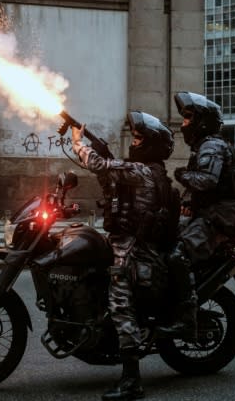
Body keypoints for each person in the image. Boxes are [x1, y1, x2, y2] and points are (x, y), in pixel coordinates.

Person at [71, 111, 178, 401]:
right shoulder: (146, 171)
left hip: (134, 250)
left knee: (120, 303)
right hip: (129, 242)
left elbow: (97, 164)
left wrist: (79, 142)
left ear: (152, 145)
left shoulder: (143, 172)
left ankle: (132, 380)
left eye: (140, 137)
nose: (135, 140)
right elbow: (112, 181)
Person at [157, 91, 235, 339]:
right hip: (211, 215)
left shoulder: (211, 145)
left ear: (202, 121)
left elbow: (207, 181)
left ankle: (186, 319)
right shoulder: (206, 146)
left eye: (188, 118)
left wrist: (180, 175)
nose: (184, 124)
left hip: (218, 221)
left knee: (177, 254)